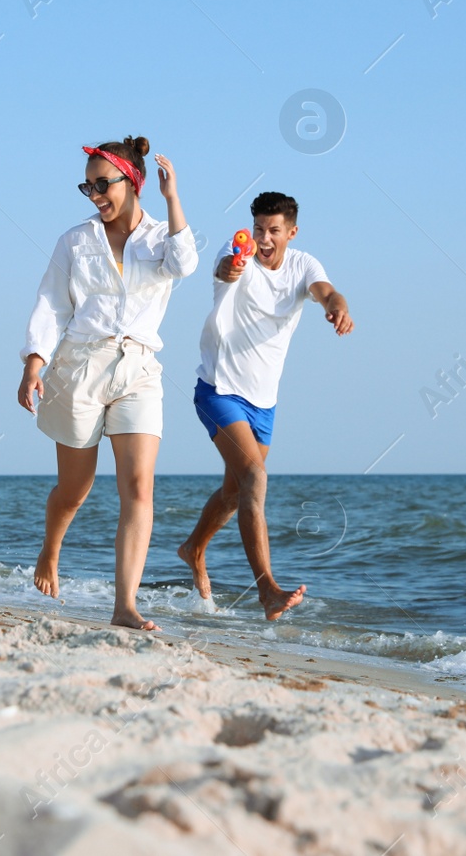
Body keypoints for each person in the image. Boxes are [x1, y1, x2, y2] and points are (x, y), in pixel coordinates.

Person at [18, 137, 196, 631]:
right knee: (75, 489)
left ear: (132, 181)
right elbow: (52, 303)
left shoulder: (162, 237)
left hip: (139, 368)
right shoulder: (74, 241)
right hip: (79, 367)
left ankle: (125, 606)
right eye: (88, 185)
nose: (95, 194)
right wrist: (34, 362)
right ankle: (51, 548)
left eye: (104, 183)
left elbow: (185, 264)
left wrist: (172, 198)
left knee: (138, 488)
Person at [177, 191, 354, 619]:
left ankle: (193, 547)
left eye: (274, 230)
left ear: (291, 232)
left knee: (235, 492)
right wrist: (234, 264)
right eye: (259, 229)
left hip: (264, 401)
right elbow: (226, 268)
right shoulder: (236, 252)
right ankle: (267, 591)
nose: (265, 237)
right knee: (255, 477)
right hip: (218, 389)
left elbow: (325, 291)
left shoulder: (303, 264)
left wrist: (337, 307)